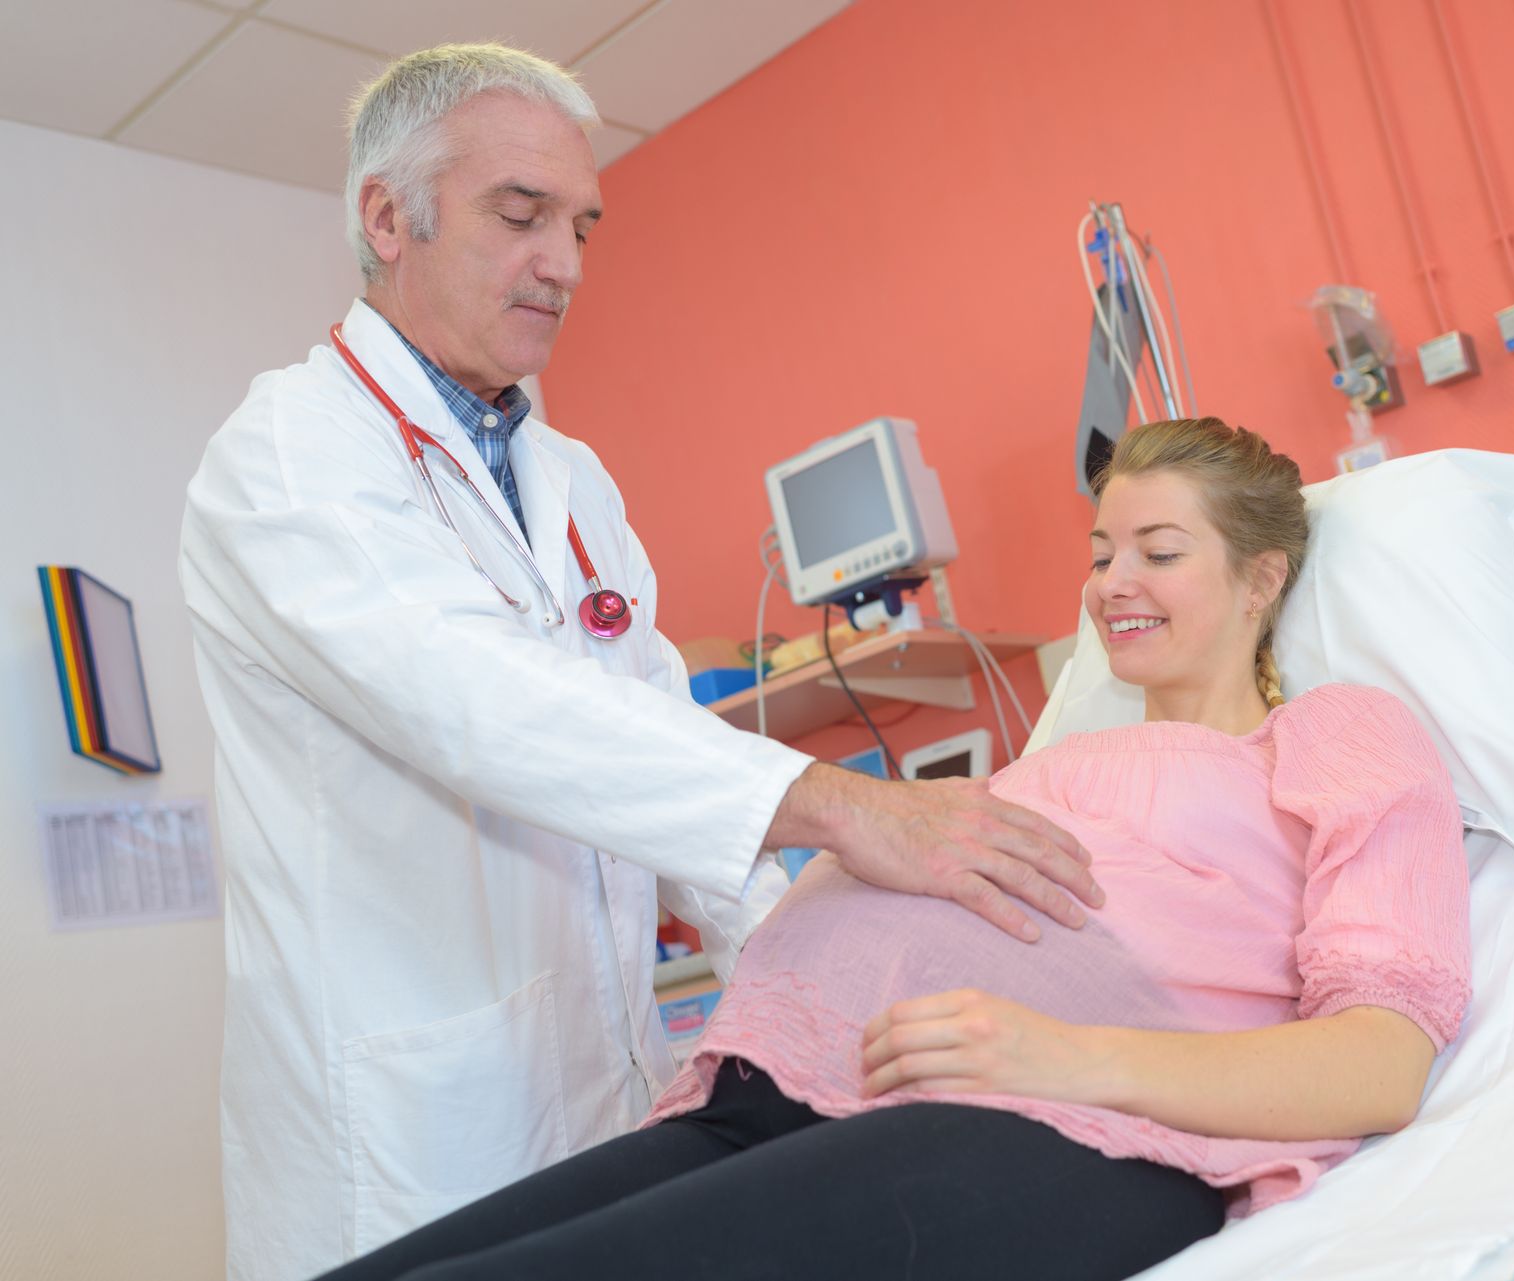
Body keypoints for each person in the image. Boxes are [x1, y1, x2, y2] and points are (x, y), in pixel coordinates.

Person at [178, 44, 1098, 1281]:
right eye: (521, 215)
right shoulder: (286, 458)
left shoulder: (571, 482)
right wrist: (840, 806)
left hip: (605, 1090)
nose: (562, 262)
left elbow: (660, 732)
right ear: (387, 216)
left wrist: (843, 978)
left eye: (582, 225)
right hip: (407, 1128)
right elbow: (481, 700)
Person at [316, 417, 1473, 1281]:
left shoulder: (1335, 733)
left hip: (1056, 1124)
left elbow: (1378, 1062)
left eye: (1159, 552)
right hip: (782, 1084)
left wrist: (1058, 1055)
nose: (1111, 583)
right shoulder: (1054, 759)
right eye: (1102, 549)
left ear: (1264, 576)